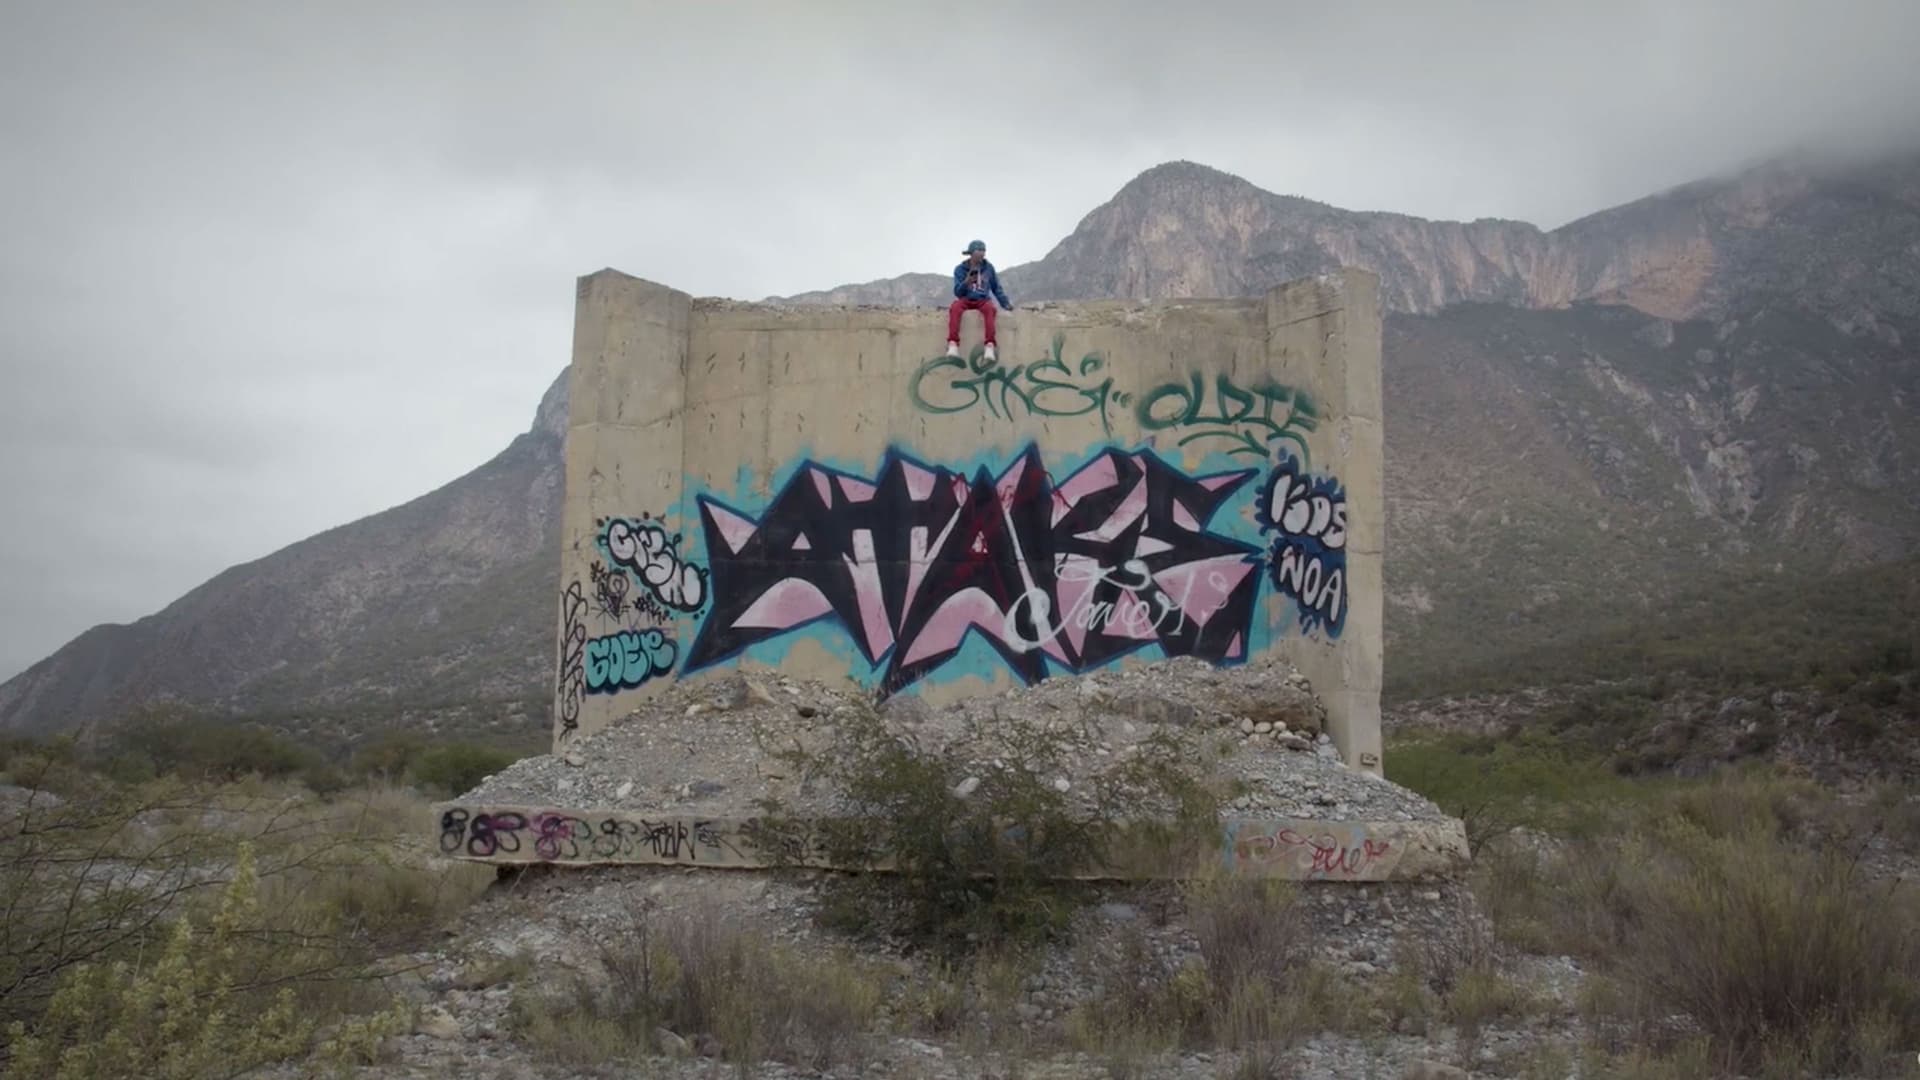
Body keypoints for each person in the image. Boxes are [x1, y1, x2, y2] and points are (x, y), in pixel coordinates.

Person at [946, 239, 1012, 360]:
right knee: (955, 308)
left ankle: (989, 345)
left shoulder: (989, 268)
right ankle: (953, 344)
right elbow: (957, 292)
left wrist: (1005, 303)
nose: (981, 253)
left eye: (983, 250)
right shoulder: (960, 269)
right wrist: (966, 282)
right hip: (966, 299)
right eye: (978, 251)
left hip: (982, 299)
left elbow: (996, 287)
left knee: (990, 309)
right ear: (971, 253)